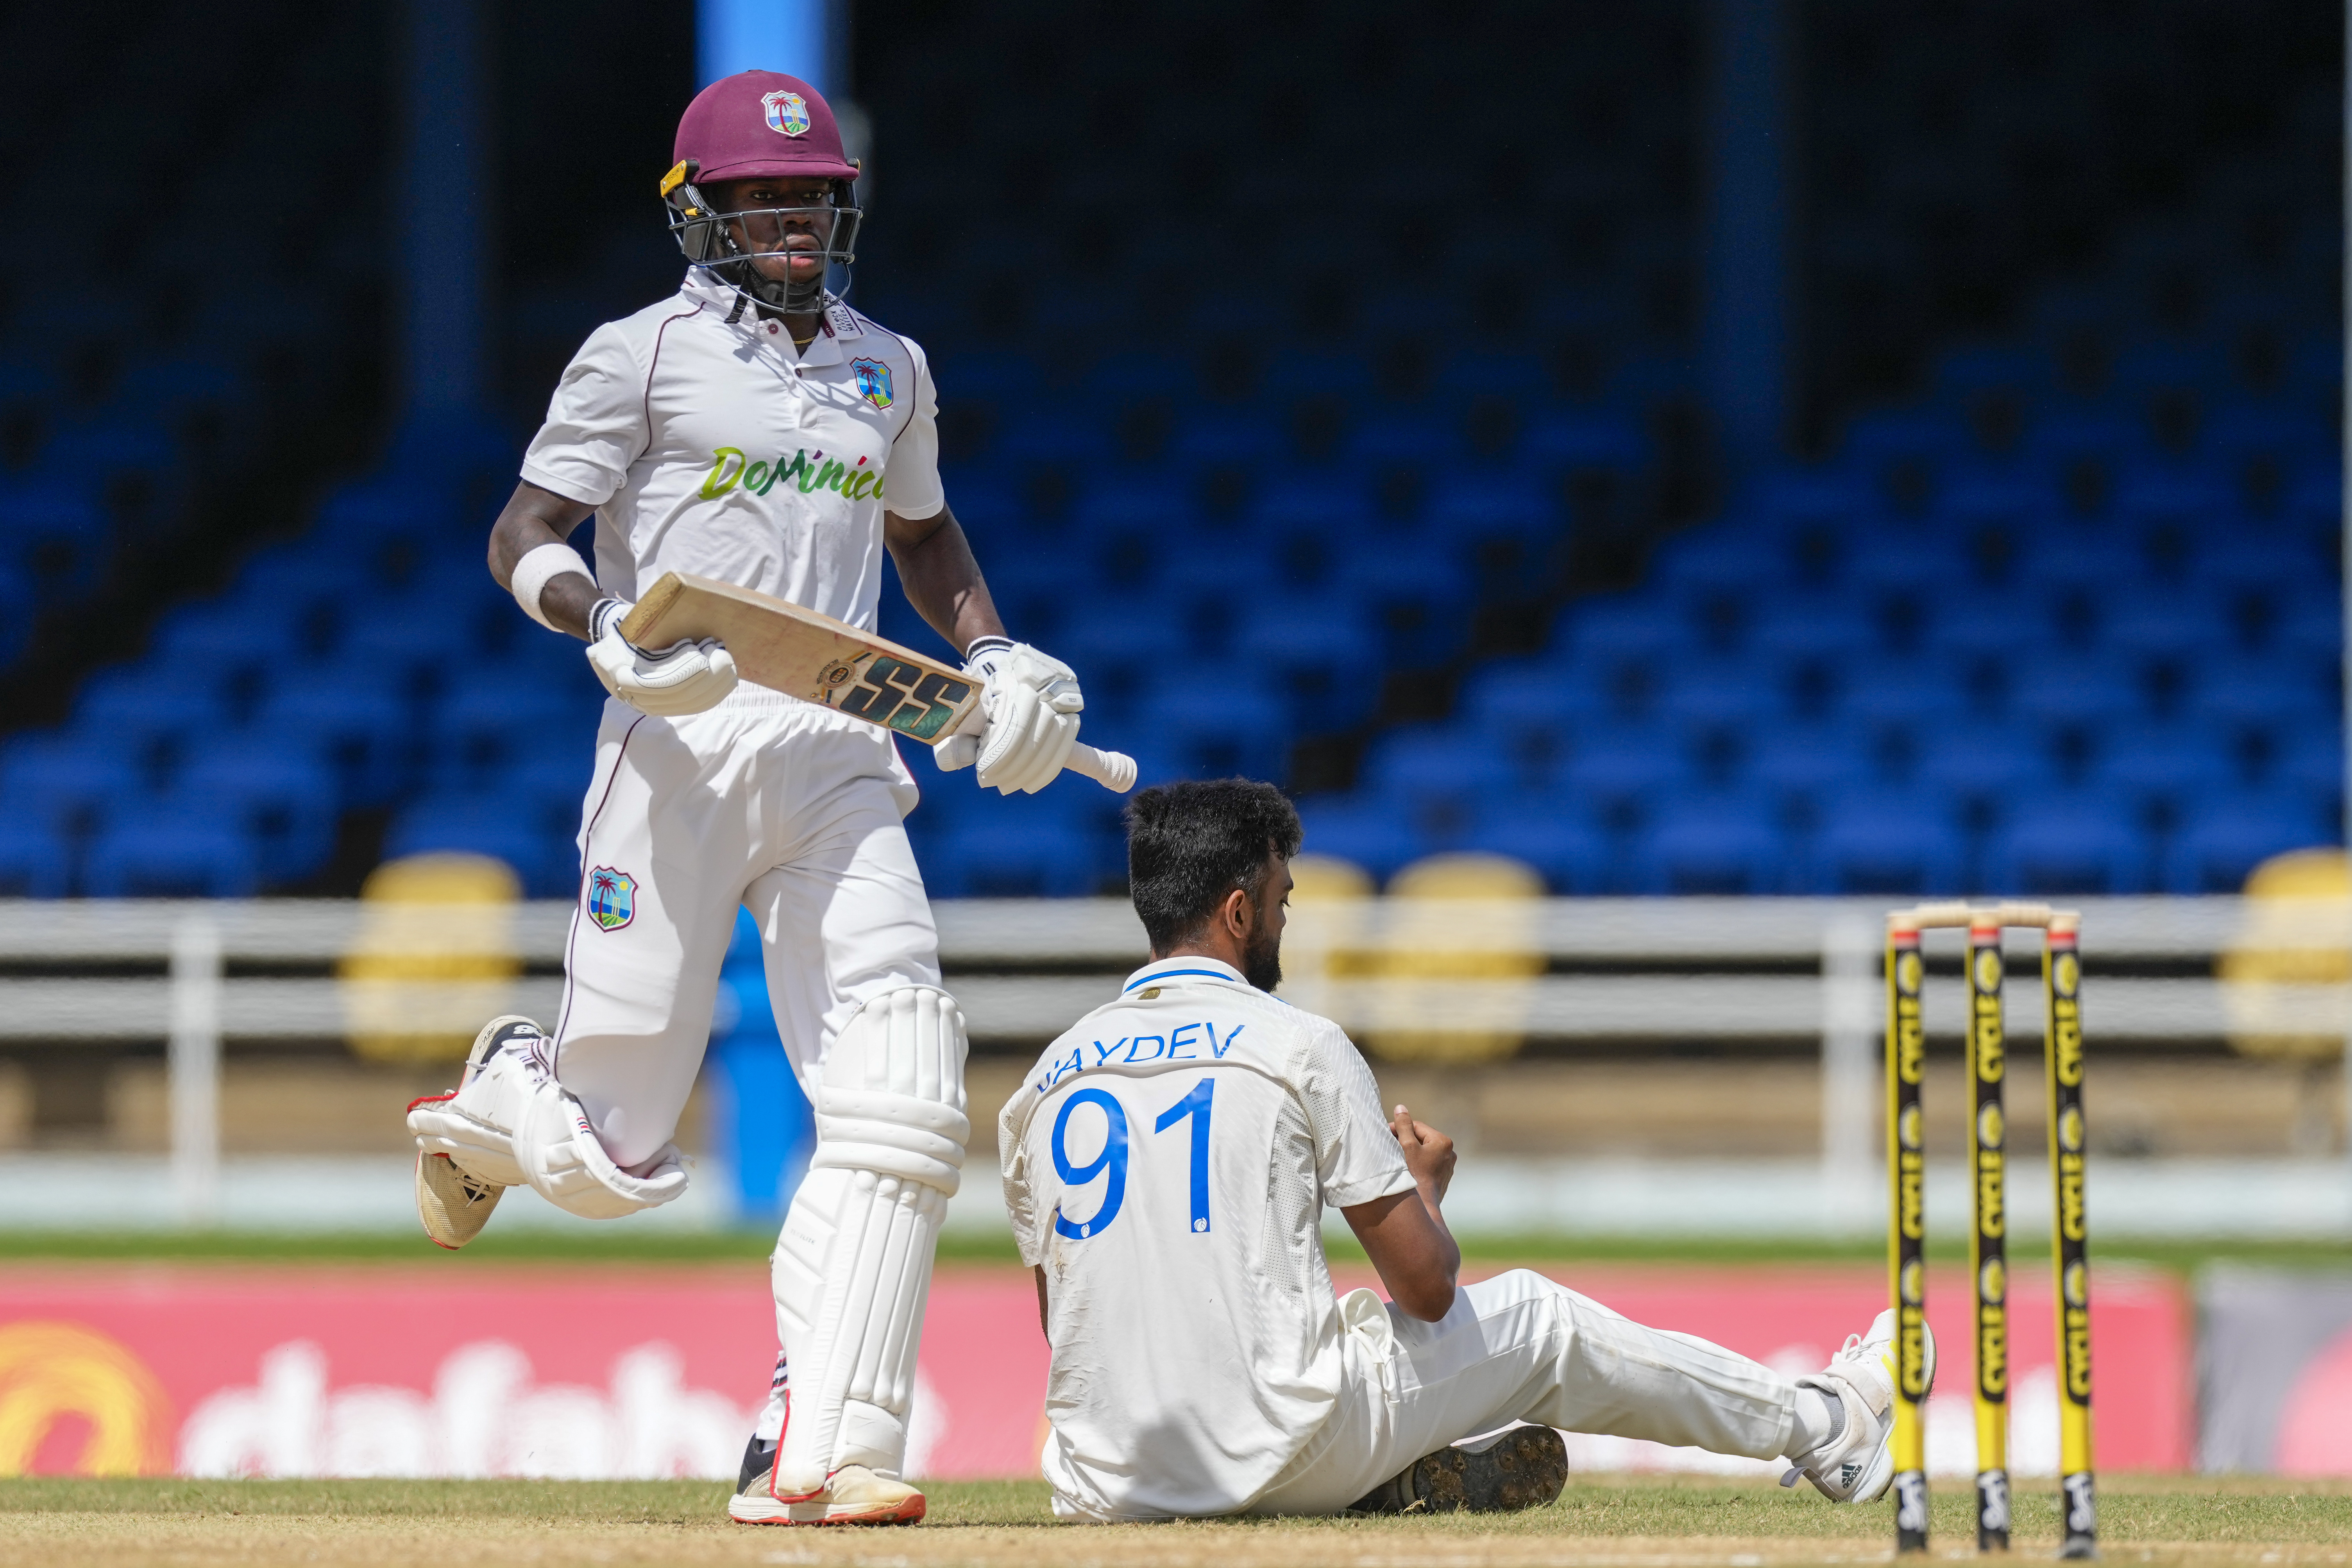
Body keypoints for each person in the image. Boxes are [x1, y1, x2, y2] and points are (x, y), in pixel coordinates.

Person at [405, 70, 1095, 1527]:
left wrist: (993, 650)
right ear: (698, 211)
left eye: (814, 197)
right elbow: (522, 528)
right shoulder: (637, 356)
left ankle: (820, 1437)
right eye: (762, 198)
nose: (793, 219)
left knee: (905, 1094)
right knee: (611, 1163)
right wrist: (600, 625)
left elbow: (923, 531)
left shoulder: (888, 365)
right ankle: (509, 1090)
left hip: (842, 750)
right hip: (676, 745)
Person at [998, 779, 1935, 1520]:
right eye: (1281, 898)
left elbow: (1069, 1322)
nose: (1286, 920)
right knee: (1541, 1320)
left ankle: (1371, 1480)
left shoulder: (1042, 1081)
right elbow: (1427, 1290)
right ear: (1238, 913)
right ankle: (1829, 1424)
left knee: (1312, 1348)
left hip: (1106, 1482)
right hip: (1277, 1450)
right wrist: (1423, 1189)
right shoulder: (1295, 1044)